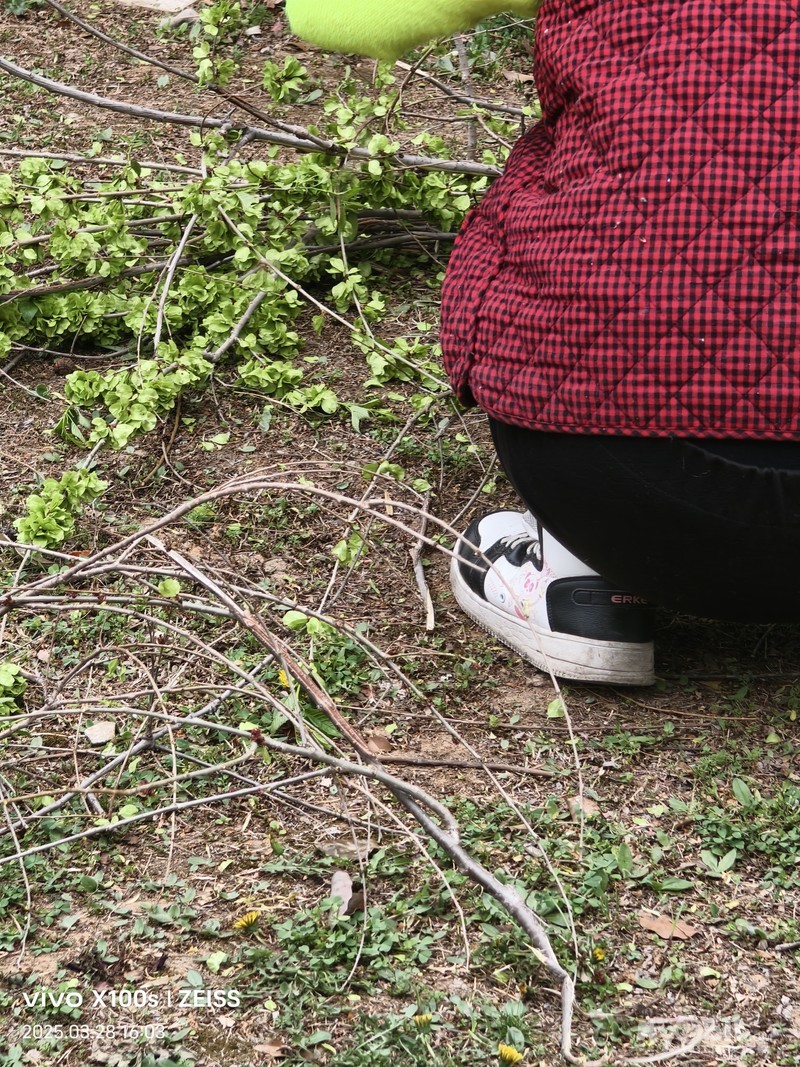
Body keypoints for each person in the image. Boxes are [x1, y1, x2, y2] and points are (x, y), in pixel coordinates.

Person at [286, 0, 800, 685]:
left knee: (578, 243)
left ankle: (574, 580)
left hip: (619, 487)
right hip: (631, 484)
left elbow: (339, 18)